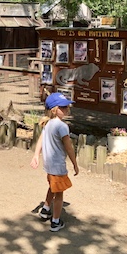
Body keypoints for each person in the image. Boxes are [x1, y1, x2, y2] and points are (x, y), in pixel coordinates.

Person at [30, 92, 79, 232]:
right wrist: (75, 163)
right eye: (63, 107)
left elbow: (40, 139)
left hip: (49, 164)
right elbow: (69, 147)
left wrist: (36, 155)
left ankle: (45, 209)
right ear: (54, 110)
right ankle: (56, 221)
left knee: (53, 187)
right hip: (58, 165)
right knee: (59, 194)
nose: (66, 109)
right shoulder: (62, 126)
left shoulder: (48, 124)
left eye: (67, 106)